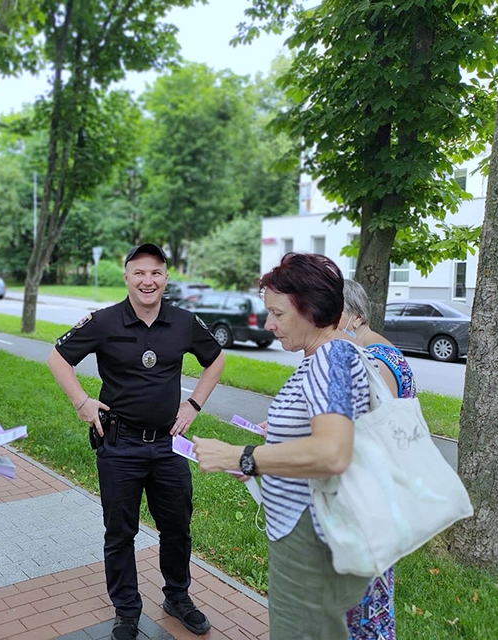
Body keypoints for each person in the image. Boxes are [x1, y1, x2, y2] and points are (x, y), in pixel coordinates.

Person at [47, 243, 226, 640]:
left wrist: (194, 404)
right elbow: (58, 357)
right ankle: (127, 610)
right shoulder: (104, 321)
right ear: (126, 276)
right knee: (120, 532)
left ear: (166, 278)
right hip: (120, 444)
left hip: (168, 446)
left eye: (156, 273)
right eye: (140, 272)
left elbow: (216, 359)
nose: (148, 280)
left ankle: (177, 598)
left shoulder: (183, 322)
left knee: (177, 528)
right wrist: (82, 402)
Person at [193, 252, 374, 640]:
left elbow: (332, 453)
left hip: (312, 539)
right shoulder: (322, 356)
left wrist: (240, 456)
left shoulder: (331, 357)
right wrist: (261, 464)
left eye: (278, 313)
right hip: (306, 530)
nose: (269, 324)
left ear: (311, 309)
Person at [341, 278, 415, 640]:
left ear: (353, 317)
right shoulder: (387, 353)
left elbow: (360, 434)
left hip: (370, 497)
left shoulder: (373, 361)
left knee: (366, 605)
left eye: (330, 314)